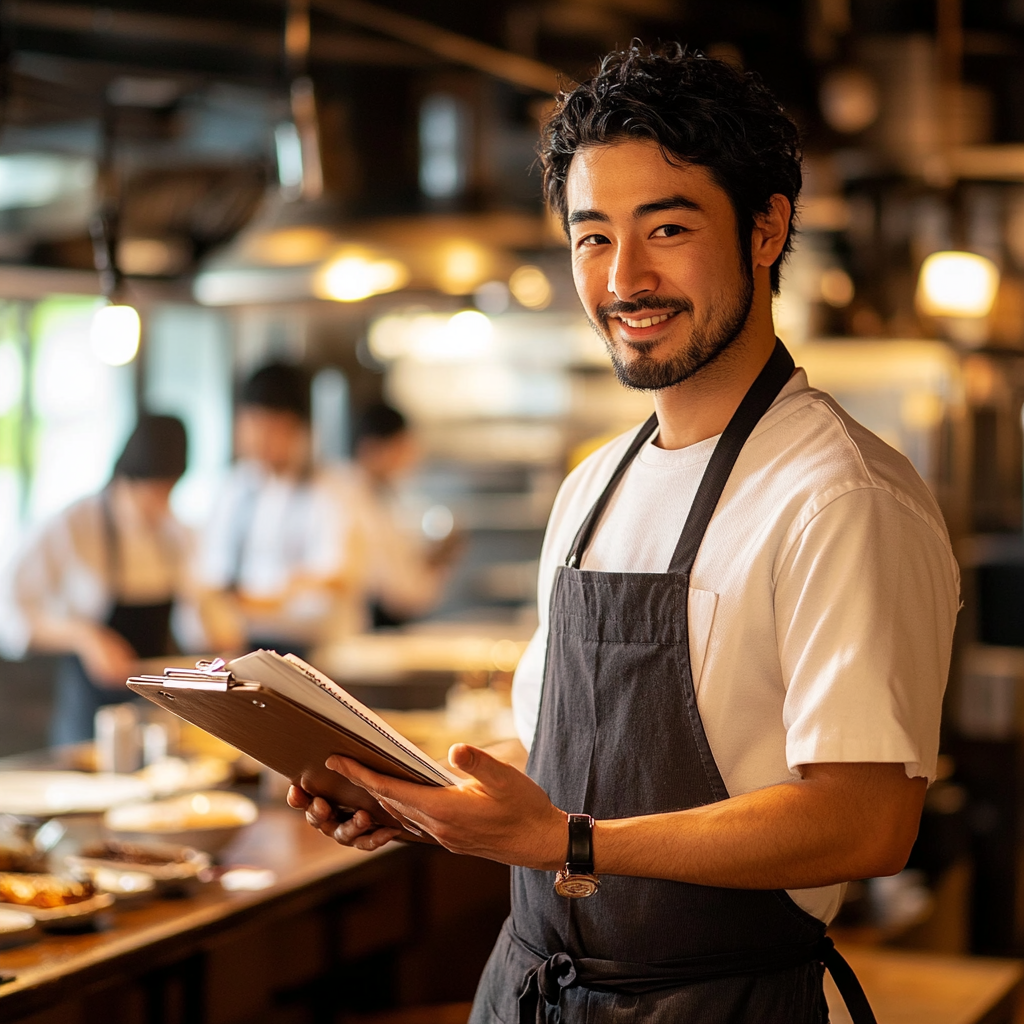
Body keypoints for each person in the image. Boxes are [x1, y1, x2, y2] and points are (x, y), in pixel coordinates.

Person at [289, 44, 959, 1023]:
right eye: (591, 237)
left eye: (668, 228)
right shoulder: (593, 484)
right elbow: (552, 750)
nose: (623, 278)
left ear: (766, 228)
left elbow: (864, 822)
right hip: (528, 992)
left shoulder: (838, 495)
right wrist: (414, 796)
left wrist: (570, 842)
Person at [0, 414, 190, 746]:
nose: (157, 506)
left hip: (156, 713)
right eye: (151, 492)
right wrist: (85, 637)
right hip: (90, 716)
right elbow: (11, 608)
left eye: (167, 492)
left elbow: (195, 616)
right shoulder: (75, 523)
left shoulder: (174, 532)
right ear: (127, 476)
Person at [196, 362, 358, 655]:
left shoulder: (331, 489)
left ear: (300, 429)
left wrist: (272, 598)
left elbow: (337, 574)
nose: (260, 439)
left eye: (273, 428)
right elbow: (211, 575)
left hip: (313, 651)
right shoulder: (234, 487)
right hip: (242, 646)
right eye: (252, 424)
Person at [348, 403, 459, 629]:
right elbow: (394, 595)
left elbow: (406, 588)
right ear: (373, 447)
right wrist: (434, 562)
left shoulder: (386, 498)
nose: (409, 458)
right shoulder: (348, 499)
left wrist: (434, 561)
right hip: (366, 627)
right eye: (402, 448)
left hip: (384, 624)